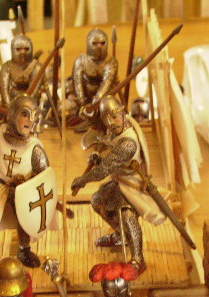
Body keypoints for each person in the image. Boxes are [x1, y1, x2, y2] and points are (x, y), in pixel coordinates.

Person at [71, 95, 167, 273]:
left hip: (132, 184)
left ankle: (138, 260)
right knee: (98, 201)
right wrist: (99, 159)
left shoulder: (128, 144)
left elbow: (104, 170)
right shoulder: (117, 130)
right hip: (120, 179)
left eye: (114, 117)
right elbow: (110, 159)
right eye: (107, 119)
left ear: (122, 114)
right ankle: (120, 235)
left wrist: (82, 180)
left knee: (127, 215)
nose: (111, 123)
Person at [0, 94, 53, 274]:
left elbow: (44, 174)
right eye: (24, 114)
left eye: (33, 115)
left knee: (25, 220)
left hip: (22, 191)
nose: (30, 121)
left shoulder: (34, 147)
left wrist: (28, 183)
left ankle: (24, 250)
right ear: (13, 115)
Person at [72, 28, 118, 132]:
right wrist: (82, 100)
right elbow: (77, 82)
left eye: (102, 43)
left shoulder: (111, 62)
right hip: (86, 95)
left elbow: (106, 83)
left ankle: (104, 123)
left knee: (109, 105)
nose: (99, 46)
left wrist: (95, 103)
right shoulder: (81, 61)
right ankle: (87, 121)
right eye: (95, 43)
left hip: (104, 96)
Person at [0, 35, 43, 106]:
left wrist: (27, 104)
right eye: (18, 49)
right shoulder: (7, 66)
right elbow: (4, 91)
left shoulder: (37, 66)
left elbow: (34, 89)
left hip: (33, 102)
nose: (23, 52)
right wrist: (8, 106)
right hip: (13, 101)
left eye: (26, 49)